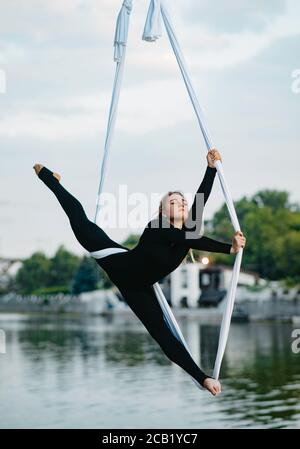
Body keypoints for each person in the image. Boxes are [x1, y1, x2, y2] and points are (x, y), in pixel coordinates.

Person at [33, 149, 246, 396]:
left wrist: (209, 169)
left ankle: (202, 378)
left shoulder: (188, 229)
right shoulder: (157, 227)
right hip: (116, 261)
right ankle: (50, 179)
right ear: (163, 211)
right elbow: (192, 237)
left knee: (163, 335)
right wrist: (228, 248)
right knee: (80, 221)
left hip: (137, 288)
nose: (181, 202)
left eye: (183, 201)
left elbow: (201, 199)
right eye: (173, 200)